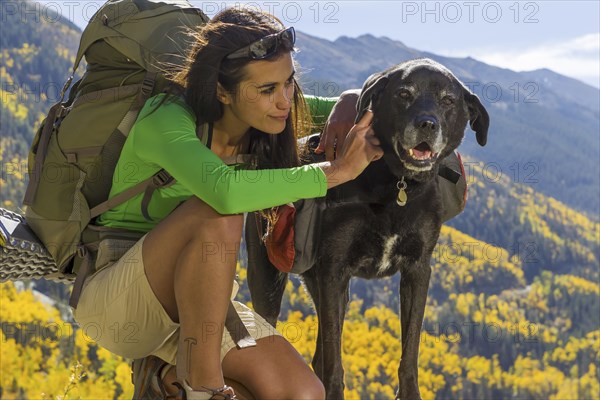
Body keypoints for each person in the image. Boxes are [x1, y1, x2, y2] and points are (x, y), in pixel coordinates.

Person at [71, 7, 382, 400]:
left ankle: (164, 379)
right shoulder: (166, 118)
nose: (285, 102)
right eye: (267, 90)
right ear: (221, 90)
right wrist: (334, 173)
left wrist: (354, 98)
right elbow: (225, 192)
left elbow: (353, 110)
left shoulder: (270, 116)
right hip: (118, 301)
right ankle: (202, 388)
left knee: (302, 394)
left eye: (288, 83)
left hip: (200, 306)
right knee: (218, 212)